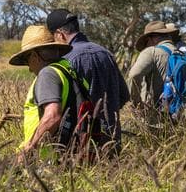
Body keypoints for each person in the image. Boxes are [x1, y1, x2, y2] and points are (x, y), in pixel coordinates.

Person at [10, 24, 96, 156]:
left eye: (27, 61)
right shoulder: (69, 70)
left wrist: (28, 150)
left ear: (34, 56)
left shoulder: (47, 74)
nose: (30, 69)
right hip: (72, 155)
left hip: (49, 160)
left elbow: (52, 117)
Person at [45, 8, 128, 143]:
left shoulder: (66, 60)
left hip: (82, 145)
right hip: (112, 141)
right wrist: (107, 114)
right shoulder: (106, 53)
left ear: (60, 34)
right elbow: (124, 95)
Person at [126, 21, 181, 130]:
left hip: (155, 118)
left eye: (146, 42)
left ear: (152, 38)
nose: (146, 46)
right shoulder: (181, 53)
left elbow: (134, 75)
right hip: (180, 116)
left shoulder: (152, 52)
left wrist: (136, 104)